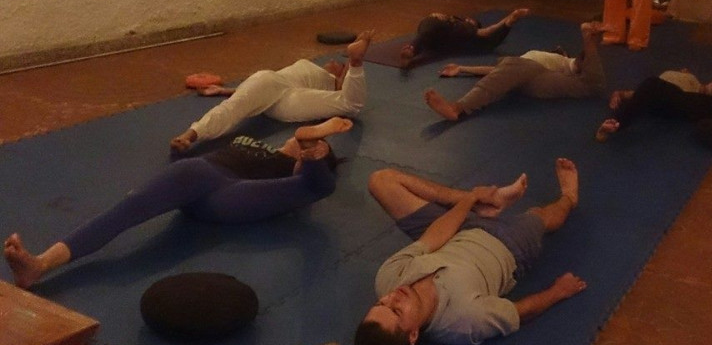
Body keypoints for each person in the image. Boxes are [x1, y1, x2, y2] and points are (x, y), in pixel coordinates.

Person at [4, 117, 353, 290]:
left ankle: (315, 151)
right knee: (126, 210)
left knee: (311, 186)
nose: (292, 141)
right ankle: (39, 264)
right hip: (200, 174)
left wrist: (310, 155)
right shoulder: (257, 144)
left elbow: (312, 188)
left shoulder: (291, 175)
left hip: (236, 196)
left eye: (304, 144)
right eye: (301, 140)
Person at [354, 159, 586, 345]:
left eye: (381, 304)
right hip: (507, 247)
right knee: (539, 215)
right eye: (396, 310)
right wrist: (558, 292)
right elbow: (519, 312)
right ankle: (569, 198)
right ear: (413, 334)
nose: (393, 297)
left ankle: (483, 203)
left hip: (454, 233)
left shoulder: (388, 279)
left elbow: (431, 239)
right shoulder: (464, 322)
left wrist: (471, 198)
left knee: (381, 181)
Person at [170, 31, 373, 151]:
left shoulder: (332, 85)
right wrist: (225, 90)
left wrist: (352, 61)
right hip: (273, 85)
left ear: (340, 76)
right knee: (234, 106)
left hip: (288, 101)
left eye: (339, 65)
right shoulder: (305, 70)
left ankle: (356, 62)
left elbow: (347, 90)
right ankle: (190, 135)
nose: (333, 61)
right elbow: (254, 92)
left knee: (351, 104)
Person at [424, 21, 607, 121]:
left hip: (537, 75)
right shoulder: (524, 63)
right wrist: (462, 68)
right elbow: (497, 73)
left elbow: (584, 68)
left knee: (593, 85)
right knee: (502, 75)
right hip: (525, 75)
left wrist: (590, 43)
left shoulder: (568, 63)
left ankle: (456, 108)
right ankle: (457, 108)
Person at [596, 43, 712, 141]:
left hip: (681, 101)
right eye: (684, 70)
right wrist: (617, 94)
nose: (685, 69)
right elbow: (635, 95)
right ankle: (613, 124)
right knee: (650, 85)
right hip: (658, 98)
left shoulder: (696, 84)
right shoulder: (666, 77)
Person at [399, 9, 530, 69]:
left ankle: (412, 49)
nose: (471, 20)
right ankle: (412, 49)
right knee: (427, 34)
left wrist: (510, 18)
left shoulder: (464, 27)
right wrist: (510, 18)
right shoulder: (462, 25)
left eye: (473, 22)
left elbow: (488, 31)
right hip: (433, 27)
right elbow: (487, 31)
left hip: (435, 33)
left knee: (427, 39)